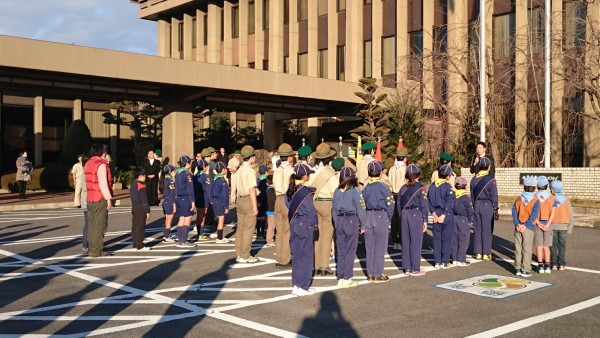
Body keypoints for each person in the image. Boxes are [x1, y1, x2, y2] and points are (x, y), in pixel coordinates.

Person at [286, 163, 318, 296]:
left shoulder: (290, 189)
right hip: (304, 223)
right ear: (305, 176)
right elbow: (311, 211)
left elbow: (287, 204)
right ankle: (303, 285)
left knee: (297, 255)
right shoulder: (305, 192)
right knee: (306, 256)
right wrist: (315, 225)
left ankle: (296, 284)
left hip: (294, 222)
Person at [332, 167, 366, 288]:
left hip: (340, 220)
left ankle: (341, 276)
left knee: (341, 250)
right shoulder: (355, 191)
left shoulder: (337, 191)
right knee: (350, 250)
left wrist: (337, 222)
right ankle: (347, 277)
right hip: (351, 220)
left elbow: (334, 210)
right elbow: (361, 208)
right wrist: (363, 224)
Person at [362, 161, 394, 283]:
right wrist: (388, 218)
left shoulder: (365, 188)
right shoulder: (384, 188)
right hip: (381, 215)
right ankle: (378, 273)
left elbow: (362, 204)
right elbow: (390, 205)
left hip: (368, 215)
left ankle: (370, 273)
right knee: (380, 246)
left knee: (370, 247)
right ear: (380, 173)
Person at [310, 143, 338, 276]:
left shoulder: (313, 171)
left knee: (317, 234)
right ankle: (324, 265)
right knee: (327, 235)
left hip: (315, 202)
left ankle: (316, 265)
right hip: (327, 203)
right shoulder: (330, 173)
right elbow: (334, 193)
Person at [231, 145, 260, 263]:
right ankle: (245, 254)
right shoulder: (250, 171)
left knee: (241, 228)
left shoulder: (239, 170)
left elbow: (236, 187)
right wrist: (255, 206)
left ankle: (239, 253)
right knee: (249, 228)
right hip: (248, 199)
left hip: (240, 199)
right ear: (252, 157)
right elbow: (252, 189)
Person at [398, 164, 429, 276]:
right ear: (417, 175)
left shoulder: (402, 188)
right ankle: (415, 268)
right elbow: (424, 205)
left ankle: (406, 267)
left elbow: (398, 204)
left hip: (404, 214)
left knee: (405, 241)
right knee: (416, 241)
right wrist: (425, 220)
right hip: (415, 214)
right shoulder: (420, 188)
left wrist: (401, 215)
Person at [84, 144, 113, 257]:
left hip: (90, 197)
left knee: (92, 225)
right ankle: (96, 250)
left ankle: (92, 248)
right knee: (100, 225)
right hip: (99, 198)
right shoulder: (100, 165)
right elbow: (103, 183)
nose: (106, 153)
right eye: (105, 151)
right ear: (102, 151)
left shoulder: (89, 163)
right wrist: (108, 198)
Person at [470, 156, 499, 261]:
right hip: (487, 205)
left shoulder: (474, 179)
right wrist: (496, 208)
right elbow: (494, 196)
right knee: (487, 229)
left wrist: (474, 205)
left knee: (477, 229)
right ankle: (486, 252)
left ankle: (478, 252)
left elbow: (472, 195)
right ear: (489, 167)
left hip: (477, 204)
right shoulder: (491, 180)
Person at [428, 164, 456, 269]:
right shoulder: (447, 186)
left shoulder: (432, 186)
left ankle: (437, 261)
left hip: (435, 213)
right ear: (448, 176)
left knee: (437, 238)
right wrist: (444, 214)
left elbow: (429, 201)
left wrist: (433, 214)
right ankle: (444, 261)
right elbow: (450, 202)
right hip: (446, 214)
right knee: (447, 238)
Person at [512, 177, 540, 277]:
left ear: (524, 187)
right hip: (528, 227)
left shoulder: (518, 199)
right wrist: (526, 225)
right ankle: (526, 269)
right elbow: (534, 214)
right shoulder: (535, 200)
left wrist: (517, 224)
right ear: (534, 188)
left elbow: (514, 212)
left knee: (518, 248)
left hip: (518, 226)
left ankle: (517, 268)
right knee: (527, 249)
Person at [273, 143, 296, 269]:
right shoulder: (291, 170)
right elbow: (292, 188)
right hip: (287, 199)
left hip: (278, 199)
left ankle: (279, 257)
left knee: (280, 231)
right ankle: (285, 259)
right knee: (287, 231)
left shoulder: (277, 170)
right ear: (289, 157)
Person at [549, 180, 573, 271]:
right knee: (562, 245)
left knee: (553, 245)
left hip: (552, 225)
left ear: (552, 190)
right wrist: (570, 227)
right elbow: (570, 214)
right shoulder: (566, 199)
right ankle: (561, 264)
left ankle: (554, 264)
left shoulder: (550, 199)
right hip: (564, 226)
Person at [388, 147, 409, 250]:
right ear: (404, 158)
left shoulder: (392, 169)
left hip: (392, 194)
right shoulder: (406, 169)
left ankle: (394, 240)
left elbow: (389, 182)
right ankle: (401, 239)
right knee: (401, 218)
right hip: (402, 195)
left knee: (394, 218)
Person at [534, 176, 555, 275]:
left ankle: (540, 265)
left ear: (537, 186)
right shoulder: (552, 197)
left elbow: (532, 213)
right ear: (547, 186)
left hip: (537, 223)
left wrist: (538, 223)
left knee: (539, 245)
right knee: (546, 246)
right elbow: (553, 213)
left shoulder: (534, 197)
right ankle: (547, 265)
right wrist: (547, 224)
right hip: (548, 223)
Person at [451, 176, 474, 267]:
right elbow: (469, 210)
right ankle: (461, 259)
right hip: (463, 219)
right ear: (465, 186)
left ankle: (454, 259)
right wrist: (471, 220)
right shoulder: (465, 197)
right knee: (463, 239)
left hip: (453, 218)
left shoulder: (452, 195)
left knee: (454, 239)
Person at [174, 155, 196, 247]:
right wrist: (193, 201)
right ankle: (184, 240)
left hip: (178, 198)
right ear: (186, 163)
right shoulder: (187, 174)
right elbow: (190, 189)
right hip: (185, 198)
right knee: (187, 218)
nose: (190, 164)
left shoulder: (177, 173)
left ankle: (180, 239)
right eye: (189, 162)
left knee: (181, 218)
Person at [130, 167, 151, 251]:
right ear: (140, 176)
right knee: (140, 227)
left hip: (134, 207)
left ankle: (135, 243)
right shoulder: (141, 185)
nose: (145, 177)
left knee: (135, 226)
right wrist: (147, 211)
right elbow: (144, 199)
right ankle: (140, 245)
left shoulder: (133, 185)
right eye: (144, 176)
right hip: (141, 208)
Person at [211, 161, 231, 244]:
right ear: (223, 170)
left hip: (215, 201)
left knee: (218, 218)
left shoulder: (215, 178)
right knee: (221, 219)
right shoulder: (222, 180)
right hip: (220, 201)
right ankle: (219, 238)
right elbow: (224, 194)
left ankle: (219, 235)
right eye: (225, 168)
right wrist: (226, 206)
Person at [193, 159, 211, 240]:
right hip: (203, 196)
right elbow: (208, 189)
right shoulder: (205, 176)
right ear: (203, 167)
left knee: (198, 215)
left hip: (196, 196)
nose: (207, 167)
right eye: (206, 166)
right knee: (203, 215)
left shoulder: (195, 175)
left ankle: (198, 232)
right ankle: (201, 233)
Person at [161, 164, 177, 243]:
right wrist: (173, 204)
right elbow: (172, 193)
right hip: (169, 201)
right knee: (169, 220)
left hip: (165, 201)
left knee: (166, 219)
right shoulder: (169, 180)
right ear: (170, 171)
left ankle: (165, 235)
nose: (174, 172)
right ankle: (166, 236)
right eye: (173, 171)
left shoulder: (164, 180)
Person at [256, 164, 269, 239]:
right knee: (263, 217)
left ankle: (258, 233)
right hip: (263, 200)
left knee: (258, 217)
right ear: (265, 172)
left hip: (257, 199)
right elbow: (264, 192)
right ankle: (262, 233)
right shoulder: (265, 181)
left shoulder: (257, 179)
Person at [80, 155, 90, 252]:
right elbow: (86, 187)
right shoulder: (87, 171)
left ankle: (85, 244)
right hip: (88, 200)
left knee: (88, 222)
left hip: (84, 199)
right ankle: (86, 244)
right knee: (89, 223)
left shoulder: (84, 170)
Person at [265, 174, 277, 247]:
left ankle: (269, 239)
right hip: (273, 210)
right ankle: (269, 240)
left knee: (270, 225)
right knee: (271, 226)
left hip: (268, 210)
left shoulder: (267, 190)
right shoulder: (274, 191)